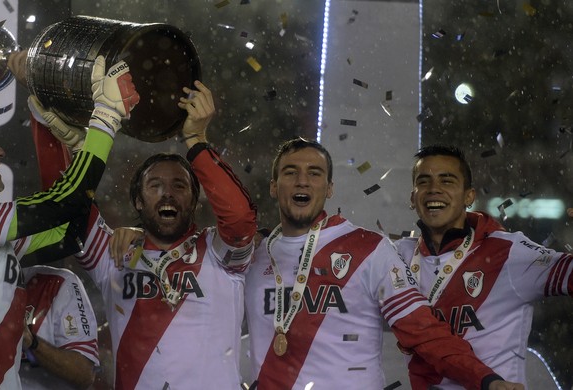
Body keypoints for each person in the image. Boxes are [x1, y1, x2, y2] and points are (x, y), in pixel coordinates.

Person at [0, 55, 139, 389]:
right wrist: (106, 116)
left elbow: (70, 232)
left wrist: (74, 146)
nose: (0, 151)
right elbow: (62, 202)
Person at [243, 137, 523, 390]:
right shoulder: (252, 255)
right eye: (290, 172)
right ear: (273, 186)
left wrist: (486, 379)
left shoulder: (369, 249)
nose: (302, 181)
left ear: (329, 189)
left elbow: (424, 332)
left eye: (314, 173)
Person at [50, 80, 257, 389]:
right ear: (137, 200)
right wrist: (51, 127)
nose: (167, 194)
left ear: (194, 199)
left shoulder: (220, 254)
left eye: (179, 185)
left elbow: (240, 219)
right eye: (155, 185)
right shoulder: (113, 254)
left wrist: (196, 140)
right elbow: (62, 206)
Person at [395, 144, 573, 388]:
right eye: (424, 182)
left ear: (469, 196)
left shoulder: (508, 251)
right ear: (412, 197)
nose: (434, 189)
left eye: (447, 181)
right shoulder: (396, 257)